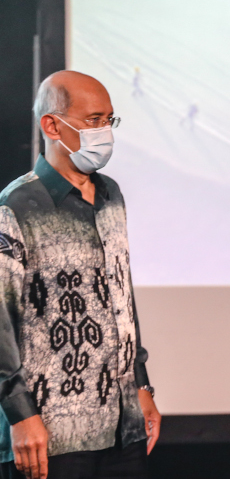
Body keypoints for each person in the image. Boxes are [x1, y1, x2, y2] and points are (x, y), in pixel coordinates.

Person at [0, 71, 160, 479]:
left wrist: (141, 384)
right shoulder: (16, 205)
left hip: (123, 429)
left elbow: (121, 298)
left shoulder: (111, 195)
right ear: (52, 125)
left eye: (110, 120)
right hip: (53, 432)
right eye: (93, 120)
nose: (104, 131)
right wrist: (19, 414)